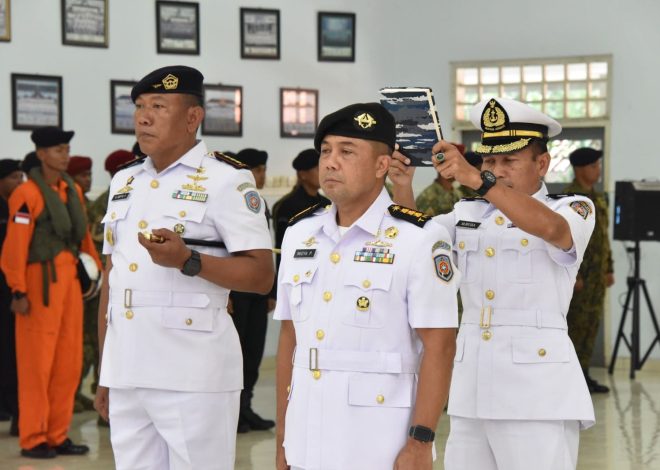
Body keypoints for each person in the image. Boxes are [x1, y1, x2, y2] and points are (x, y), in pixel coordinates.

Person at [389, 97, 596, 470]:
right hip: (471, 390)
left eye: (509, 161)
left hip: (537, 395)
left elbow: (553, 230)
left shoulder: (573, 207)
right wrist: (403, 186)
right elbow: (415, 244)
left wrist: (476, 180)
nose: (496, 170)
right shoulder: (468, 213)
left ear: (542, 164)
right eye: (489, 161)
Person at [93, 65, 274, 470]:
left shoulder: (226, 180)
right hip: (128, 371)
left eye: (159, 105)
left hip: (194, 375)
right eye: (140, 106)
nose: (143, 116)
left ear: (193, 117)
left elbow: (261, 275)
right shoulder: (125, 183)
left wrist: (189, 261)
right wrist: (107, 372)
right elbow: (112, 281)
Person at [274, 103, 458, 470]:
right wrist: (283, 440)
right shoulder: (299, 234)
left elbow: (440, 345)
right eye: (325, 151)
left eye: (346, 151)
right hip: (307, 437)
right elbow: (290, 340)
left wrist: (421, 442)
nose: (330, 162)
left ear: (381, 166)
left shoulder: (419, 239)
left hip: (380, 441)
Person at [1, 127, 102, 459]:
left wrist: (97, 274)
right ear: (41, 154)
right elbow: (15, 247)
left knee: (68, 363)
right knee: (36, 366)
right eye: (59, 149)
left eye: (66, 149)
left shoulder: (70, 189)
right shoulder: (26, 195)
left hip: (70, 286)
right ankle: (33, 437)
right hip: (37, 285)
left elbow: (83, 238)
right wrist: (17, 289)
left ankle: (58, 435)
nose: (65, 155)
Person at [230, 148, 276, 433]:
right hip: (236, 289)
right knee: (234, 354)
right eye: (257, 170)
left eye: (262, 169)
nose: (262, 175)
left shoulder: (260, 202)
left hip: (257, 290)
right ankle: (233, 411)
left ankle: (245, 407)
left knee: (253, 353)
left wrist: (270, 291)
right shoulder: (231, 200)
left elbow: (268, 249)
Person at [564, 147, 614, 394]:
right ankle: (570, 377)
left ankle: (583, 374)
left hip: (596, 276)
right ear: (581, 169)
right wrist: (575, 274)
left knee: (590, 326)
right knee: (574, 327)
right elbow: (565, 239)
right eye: (594, 166)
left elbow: (603, 235)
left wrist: (609, 267)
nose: (598, 170)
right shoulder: (570, 199)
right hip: (578, 278)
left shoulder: (597, 197)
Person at [66, 155, 98, 413]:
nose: (88, 180)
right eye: (83, 175)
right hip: (81, 280)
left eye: (89, 175)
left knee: (95, 343)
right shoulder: (75, 201)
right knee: (85, 342)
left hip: (94, 279)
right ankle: (72, 392)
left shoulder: (86, 203)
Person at [271, 148, 330, 267]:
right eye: (317, 169)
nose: (323, 173)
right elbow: (282, 248)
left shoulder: (326, 203)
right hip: (296, 267)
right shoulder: (286, 205)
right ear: (303, 175)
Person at [0, 159, 23, 437]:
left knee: (11, 351)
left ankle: (14, 408)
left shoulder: (18, 207)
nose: (19, 182)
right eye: (15, 177)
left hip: (11, 290)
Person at [415, 144, 467, 216]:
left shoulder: (458, 195)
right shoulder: (427, 198)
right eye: (457, 165)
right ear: (444, 166)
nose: (461, 169)